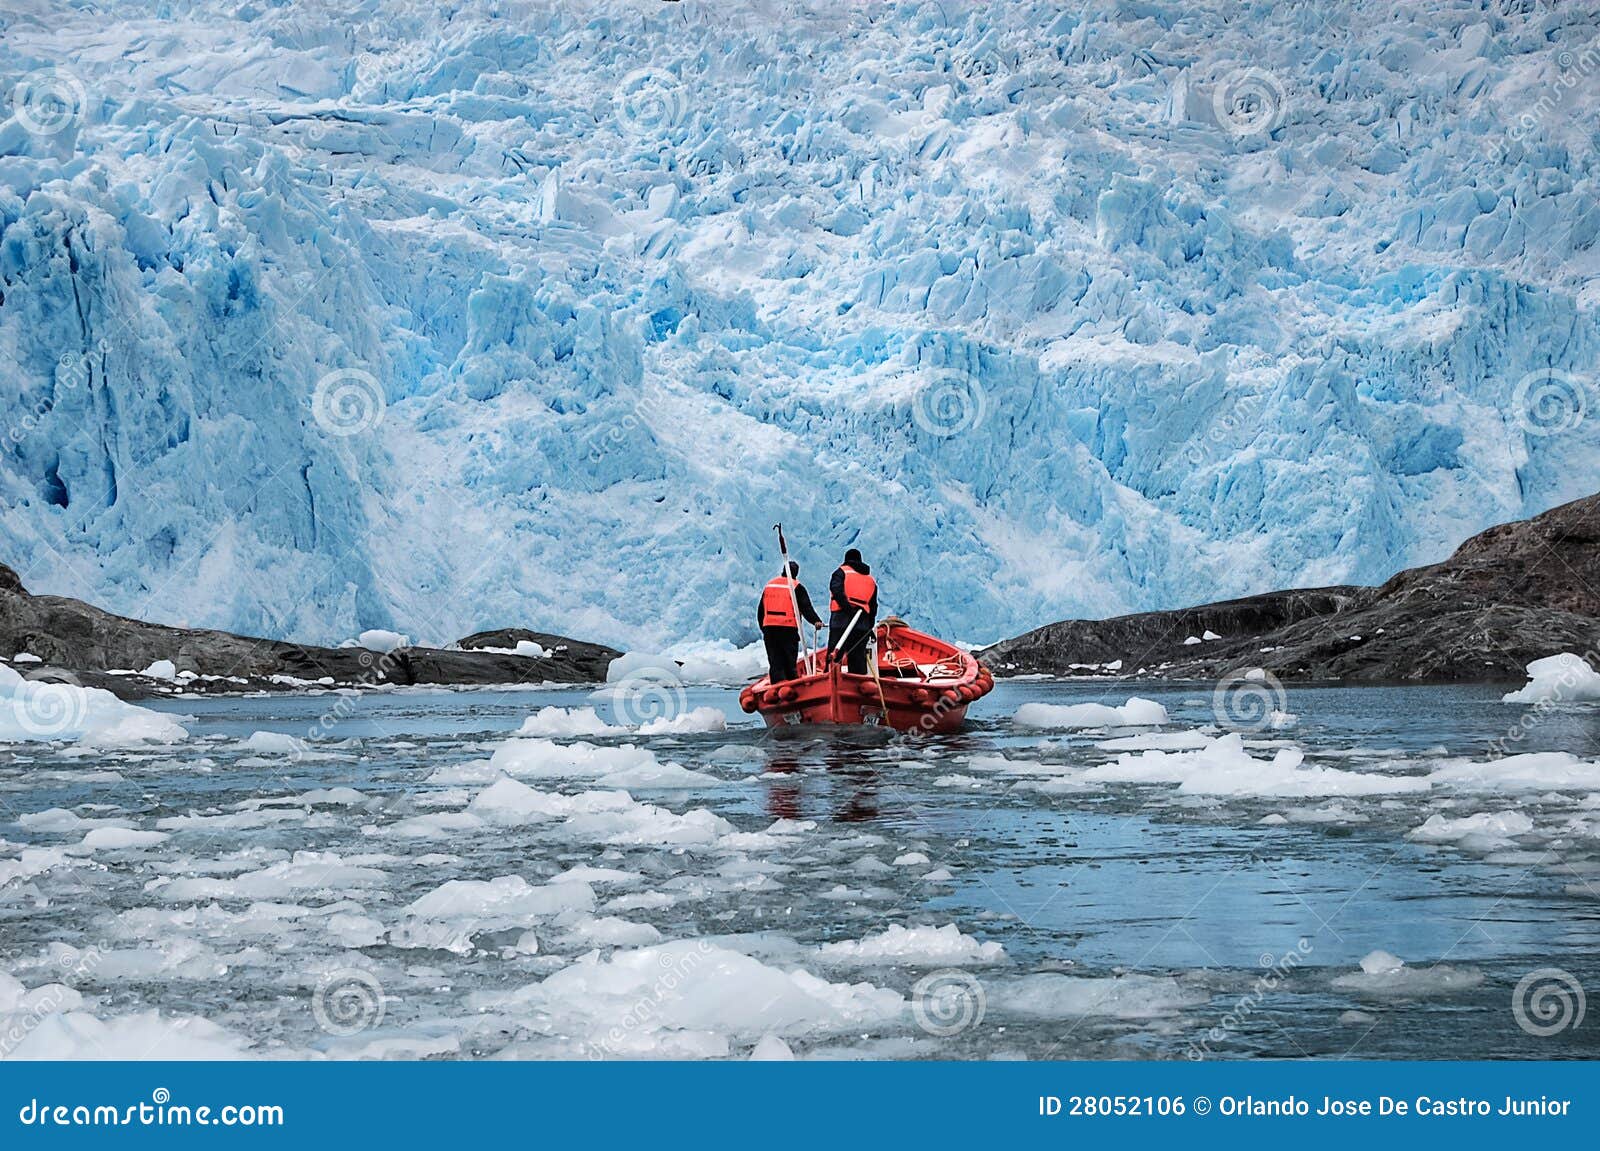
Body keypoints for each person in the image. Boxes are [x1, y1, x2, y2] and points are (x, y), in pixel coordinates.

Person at [757, 561, 822, 682]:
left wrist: (764, 628)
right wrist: (816, 621)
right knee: (789, 660)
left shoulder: (770, 585)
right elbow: (806, 608)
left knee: (775, 660)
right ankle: (791, 687)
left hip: (770, 628)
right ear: (796, 573)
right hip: (788, 629)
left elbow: (761, 610)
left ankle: (777, 687)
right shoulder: (796, 586)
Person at [828, 547, 878, 675]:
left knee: (834, 656)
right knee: (858, 659)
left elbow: (837, 592)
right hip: (861, 624)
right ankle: (857, 686)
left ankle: (831, 680)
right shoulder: (870, 580)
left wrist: (849, 610)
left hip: (841, 621)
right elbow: (873, 607)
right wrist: (869, 627)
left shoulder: (841, 573)